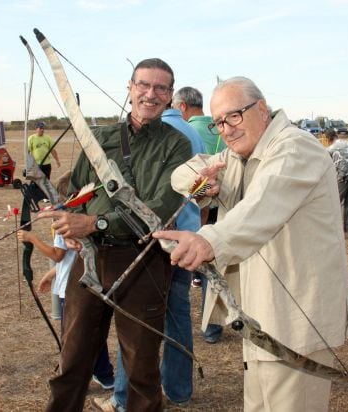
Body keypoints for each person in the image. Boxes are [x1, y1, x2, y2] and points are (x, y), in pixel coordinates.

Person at [153, 76, 348, 411]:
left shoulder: (295, 148)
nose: (227, 129)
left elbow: (261, 207)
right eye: (219, 122)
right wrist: (203, 182)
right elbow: (181, 174)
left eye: (234, 116)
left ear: (261, 109)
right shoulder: (237, 155)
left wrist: (208, 241)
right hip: (259, 314)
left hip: (296, 319)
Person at [40, 58, 192, 412]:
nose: (150, 94)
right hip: (90, 258)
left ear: (170, 96)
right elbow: (78, 191)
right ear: (130, 87)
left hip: (143, 261)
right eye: (143, 85)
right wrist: (72, 222)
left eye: (160, 88)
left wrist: (94, 224)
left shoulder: (177, 147)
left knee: (140, 369)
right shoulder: (102, 138)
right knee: (72, 359)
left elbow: (156, 212)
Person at [107, 102, 204, 410]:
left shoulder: (163, 137)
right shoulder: (195, 132)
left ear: (172, 101)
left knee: (136, 323)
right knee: (177, 316)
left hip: (156, 242)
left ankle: (124, 397)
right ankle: (179, 391)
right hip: (188, 239)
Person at [17, 228, 116, 391]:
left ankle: (72, 382)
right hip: (88, 283)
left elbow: (57, 255)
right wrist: (51, 274)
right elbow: (71, 258)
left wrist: (32, 238)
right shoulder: (83, 219)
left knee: (72, 338)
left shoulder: (64, 222)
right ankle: (104, 374)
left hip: (73, 290)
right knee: (94, 332)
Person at [171, 86, 224, 342]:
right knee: (217, 269)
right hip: (227, 212)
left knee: (204, 266)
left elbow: (194, 187)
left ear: (181, 106)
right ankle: (214, 326)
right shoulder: (216, 128)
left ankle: (212, 326)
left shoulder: (187, 129)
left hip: (201, 209)